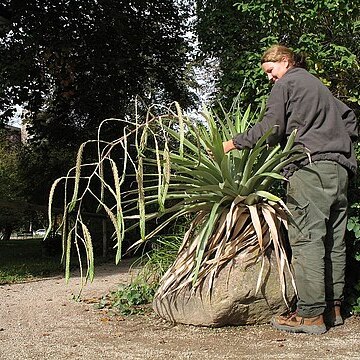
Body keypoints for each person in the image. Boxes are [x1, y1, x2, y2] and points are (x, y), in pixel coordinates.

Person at [223, 44, 358, 334]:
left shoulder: (288, 83)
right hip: (340, 170)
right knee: (334, 241)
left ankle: (310, 316)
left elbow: (271, 128)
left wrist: (231, 144)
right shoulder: (318, 86)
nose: (271, 78)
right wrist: (336, 142)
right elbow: (350, 119)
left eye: (271, 71)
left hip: (310, 170)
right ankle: (333, 308)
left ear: (285, 61)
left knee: (307, 239)